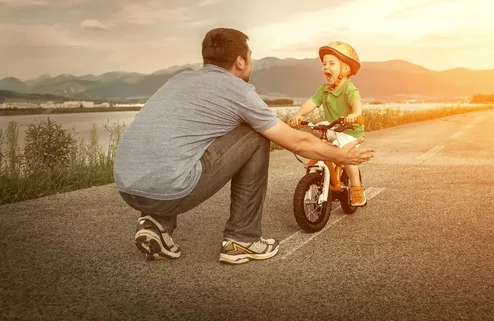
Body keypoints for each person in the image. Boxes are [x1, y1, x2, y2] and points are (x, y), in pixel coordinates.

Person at [113, 28, 375, 265]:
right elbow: (297, 140)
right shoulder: (238, 91)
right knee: (257, 133)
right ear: (240, 61)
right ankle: (242, 238)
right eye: (250, 56)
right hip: (169, 191)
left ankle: (155, 222)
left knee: (186, 142)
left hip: (126, 185)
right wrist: (342, 155)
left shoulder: (178, 80)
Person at [289, 41, 366, 207]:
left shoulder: (348, 88)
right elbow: (312, 102)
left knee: (347, 158)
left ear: (345, 69)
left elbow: (356, 102)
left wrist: (355, 114)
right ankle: (322, 155)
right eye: (324, 64)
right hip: (333, 128)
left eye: (332, 63)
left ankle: (357, 188)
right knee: (316, 129)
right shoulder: (323, 89)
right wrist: (299, 114)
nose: (326, 67)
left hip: (350, 132)